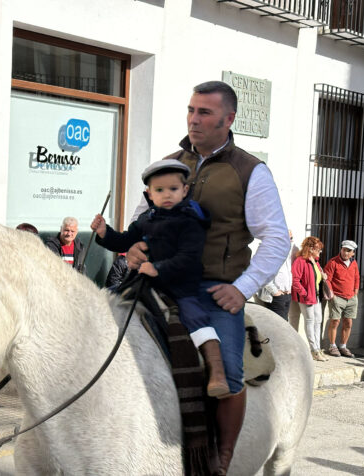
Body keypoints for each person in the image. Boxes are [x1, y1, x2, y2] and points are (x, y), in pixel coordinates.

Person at [126, 81, 290, 475]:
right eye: (191, 110)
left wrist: (242, 288)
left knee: (230, 374)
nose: (194, 120)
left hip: (213, 289)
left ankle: (223, 459)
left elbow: (277, 237)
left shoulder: (250, 170)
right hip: (159, 278)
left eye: (204, 113)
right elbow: (139, 220)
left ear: (228, 118)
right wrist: (132, 248)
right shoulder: (168, 162)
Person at [92, 159, 229, 398]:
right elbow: (124, 241)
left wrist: (158, 268)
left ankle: (216, 369)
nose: (167, 195)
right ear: (149, 194)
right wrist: (105, 233)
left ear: (184, 191)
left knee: (194, 315)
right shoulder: (145, 221)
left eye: (173, 189)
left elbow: (188, 257)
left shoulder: (190, 222)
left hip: (180, 285)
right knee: (106, 303)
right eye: (159, 190)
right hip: (143, 283)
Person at [292, 236, 328, 362]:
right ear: (311, 248)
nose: (320, 251)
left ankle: (318, 348)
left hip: (317, 296)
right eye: (318, 249)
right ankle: (314, 350)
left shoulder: (315, 261)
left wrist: (323, 276)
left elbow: (316, 277)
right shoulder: (300, 261)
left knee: (318, 321)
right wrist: (305, 294)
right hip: (307, 298)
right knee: (310, 321)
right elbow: (295, 281)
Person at [323, 240, 360, 358]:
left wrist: (356, 290)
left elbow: (356, 277)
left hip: (351, 298)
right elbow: (327, 278)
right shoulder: (333, 262)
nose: (345, 252)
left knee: (348, 322)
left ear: (353, 253)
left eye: (348, 251)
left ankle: (343, 346)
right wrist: (331, 294)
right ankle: (332, 346)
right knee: (335, 321)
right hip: (337, 297)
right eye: (344, 249)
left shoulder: (354, 263)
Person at [257, 230, 297, 320]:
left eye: (292, 238)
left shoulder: (286, 253)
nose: (291, 241)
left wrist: (289, 289)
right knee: (278, 326)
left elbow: (288, 272)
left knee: (284, 323)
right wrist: (275, 292)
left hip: (286, 294)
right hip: (275, 296)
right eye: (289, 238)